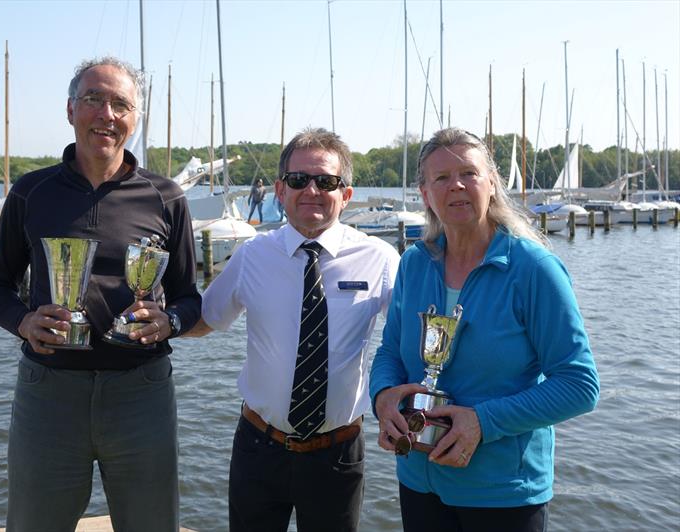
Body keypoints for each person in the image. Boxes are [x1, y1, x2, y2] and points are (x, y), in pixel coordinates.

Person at [0, 57, 201, 532]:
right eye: (94, 99)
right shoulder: (30, 193)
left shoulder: (166, 198)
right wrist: (22, 321)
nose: (107, 114)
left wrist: (170, 322)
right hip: (49, 394)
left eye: (121, 103)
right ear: (70, 109)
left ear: (135, 118)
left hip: (142, 392)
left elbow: (188, 296)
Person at [369, 128, 600, 531]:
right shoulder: (414, 264)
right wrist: (383, 397)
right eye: (441, 177)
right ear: (425, 194)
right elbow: (389, 352)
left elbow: (579, 385)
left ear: (492, 184)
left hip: (502, 492)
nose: (456, 185)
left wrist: (483, 422)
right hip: (418, 481)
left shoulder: (534, 270)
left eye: (469, 173)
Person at [186, 127, 400, 532]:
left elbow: (408, 341)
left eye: (326, 181)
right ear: (281, 191)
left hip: (336, 453)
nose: (312, 190)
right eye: (299, 180)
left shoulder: (381, 258)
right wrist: (151, 322)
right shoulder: (251, 254)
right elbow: (205, 319)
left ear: (346, 194)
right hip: (258, 447)